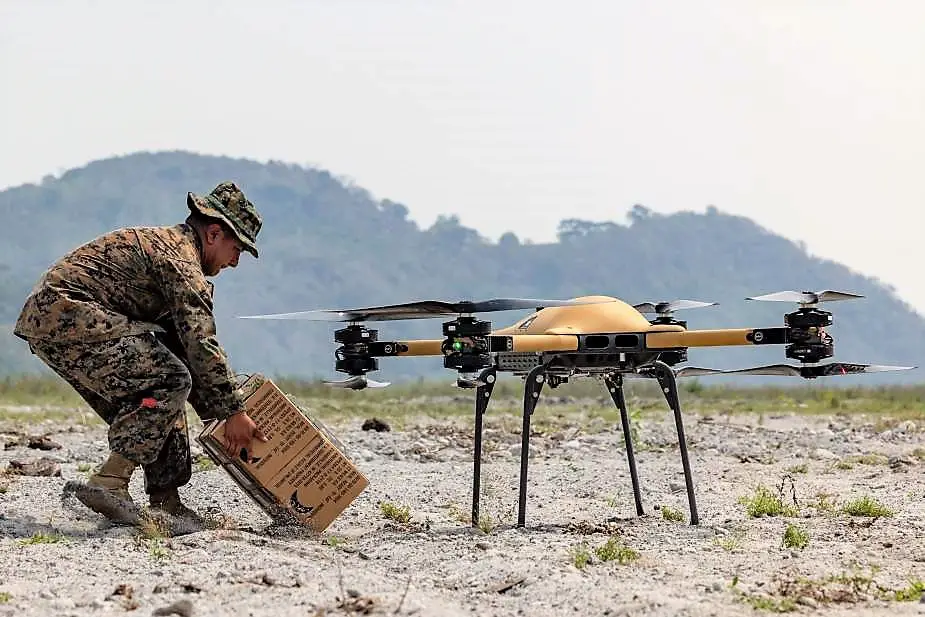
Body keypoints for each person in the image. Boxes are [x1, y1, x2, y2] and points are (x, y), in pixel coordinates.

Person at [12, 181, 267, 526]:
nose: (235, 262)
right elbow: (200, 341)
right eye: (236, 249)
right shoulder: (180, 261)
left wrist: (220, 413)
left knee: (163, 390)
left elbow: (186, 349)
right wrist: (233, 411)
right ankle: (110, 481)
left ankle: (166, 500)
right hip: (68, 316)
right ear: (214, 234)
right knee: (169, 381)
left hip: (62, 322)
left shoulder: (175, 253)